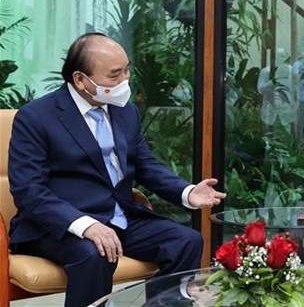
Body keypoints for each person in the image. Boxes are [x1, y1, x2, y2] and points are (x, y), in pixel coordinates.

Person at [8, 32, 226, 307]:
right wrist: (86, 225)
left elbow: (144, 164)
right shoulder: (36, 117)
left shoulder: (125, 111)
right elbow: (29, 190)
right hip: (58, 226)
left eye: (126, 70)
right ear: (80, 80)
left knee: (186, 240)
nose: (125, 81)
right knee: (95, 253)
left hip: (119, 217)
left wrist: (187, 192)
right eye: (114, 75)